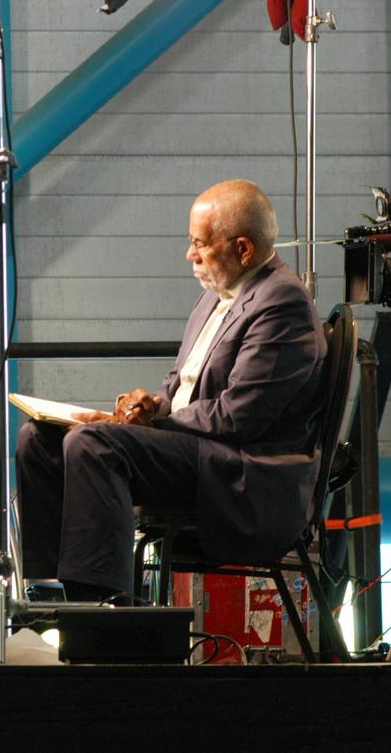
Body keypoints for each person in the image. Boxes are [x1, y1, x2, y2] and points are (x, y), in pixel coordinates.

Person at [17, 179, 327, 602]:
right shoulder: (216, 295)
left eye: (200, 244)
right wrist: (148, 406)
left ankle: (101, 606)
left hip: (242, 473)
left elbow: (239, 416)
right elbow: (182, 386)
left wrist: (155, 422)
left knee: (95, 445)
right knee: (38, 439)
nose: (190, 255)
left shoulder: (282, 303)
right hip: (200, 449)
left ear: (243, 249)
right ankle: (49, 592)